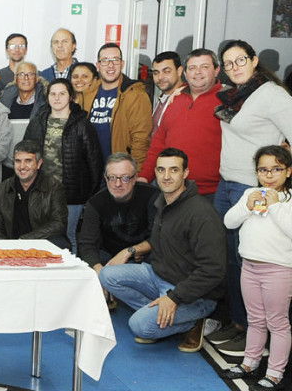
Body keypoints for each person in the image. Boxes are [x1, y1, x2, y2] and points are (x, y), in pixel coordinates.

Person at [99, 148, 226, 352]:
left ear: (185, 173)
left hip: (195, 294)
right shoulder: (163, 203)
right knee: (107, 274)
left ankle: (192, 321)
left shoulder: (202, 214)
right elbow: (157, 244)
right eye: (161, 170)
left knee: (139, 326)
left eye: (173, 170)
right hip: (159, 277)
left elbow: (213, 270)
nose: (166, 176)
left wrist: (174, 297)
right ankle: (161, 312)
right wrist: (130, 251)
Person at [210, 40, 292, 357]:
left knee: (249, 263)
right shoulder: (234, 96)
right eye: (228, 63)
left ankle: (256, 334)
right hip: (227, 185)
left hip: (254, 191)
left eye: (240, 60)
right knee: (231, 260)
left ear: (254, 60)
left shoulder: (272, 95)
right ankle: (240, 323)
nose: (235, 67)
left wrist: (278, 182)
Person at [220, 146, 292, 390]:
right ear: (256, 172)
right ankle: (250, 362)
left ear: (288, 170)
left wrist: (274, 205)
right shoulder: (251, 193)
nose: (269, 175)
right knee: (255, 320)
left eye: (276, 169)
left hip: (279, 270)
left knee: (277, 323)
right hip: (249, 267)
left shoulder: (288, 199)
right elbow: (229, 221)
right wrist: (247, 206)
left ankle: (274, 372)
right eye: (263, 169)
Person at [23, 79, 103, 249]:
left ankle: (72, 273)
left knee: (68, 235)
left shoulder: (81, 124)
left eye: (62, 94)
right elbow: (25, 154)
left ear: (71, 97)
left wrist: (89, 195)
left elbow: (94, 162)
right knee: (40, 235)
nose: (57, 98)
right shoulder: (38, 121)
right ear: (47, 97)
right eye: (53, 94)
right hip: (42, 191)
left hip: (72, 194)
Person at [136, 49, 223, 200]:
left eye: (204, 67)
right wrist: (145, 176)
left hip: (211, 193)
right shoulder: (174, 100)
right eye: (192, 68)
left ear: (216, 70)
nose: (198, 72)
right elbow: (158, 144)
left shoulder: (227, 101)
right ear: (185, 73)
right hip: (171, 189)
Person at [77, 153, 158, 275]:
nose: (117, 184)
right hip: (110, 258)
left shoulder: (152, 196)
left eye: (125, 178)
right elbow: (87, 243)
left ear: (135, 178)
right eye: (112, 178)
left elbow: (159, 237)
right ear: (105, 178)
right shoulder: (95, 203)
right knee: (90, 261)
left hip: (145, 256)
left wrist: (131, 251)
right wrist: (100, 273)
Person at [80, 43, 152, 171]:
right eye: (105, 61)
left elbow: (141, 139)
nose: (110, 65)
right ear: (98, 66)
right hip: (91, 171)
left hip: (121, 172)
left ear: (122, 64)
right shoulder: (86, 95)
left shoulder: (135, 95)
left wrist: (136, 172)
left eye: (115, 60)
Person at [0, 140, 69, 247]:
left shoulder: (54, 187)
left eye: (28, 161)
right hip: (11, 245)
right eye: (18, 161)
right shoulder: (4, 187)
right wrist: (6, 246)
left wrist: (25, 240)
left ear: (39, 163)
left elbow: (59, 224)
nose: (22, 166)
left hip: (42, 243)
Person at [149, 51, 186, 136]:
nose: (160, 77)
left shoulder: (186, 100)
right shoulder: (162, 98)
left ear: (179, 71)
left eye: (167, 71)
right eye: (156, 73)